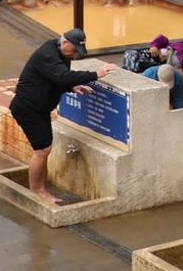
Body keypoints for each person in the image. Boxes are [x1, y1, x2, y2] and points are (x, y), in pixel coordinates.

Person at [8, 29, 114, 204]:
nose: (74, 56)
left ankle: (40, 187)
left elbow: (56, 80)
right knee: (42, 151)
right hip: (28, 109)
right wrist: (97, 74)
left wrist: (71, 87)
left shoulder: (61, 53)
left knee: (44, 149)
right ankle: (38, 191)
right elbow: (63, 76)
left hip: (40, 108)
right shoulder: (47, 54)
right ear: (65, 43)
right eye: (74, 51)